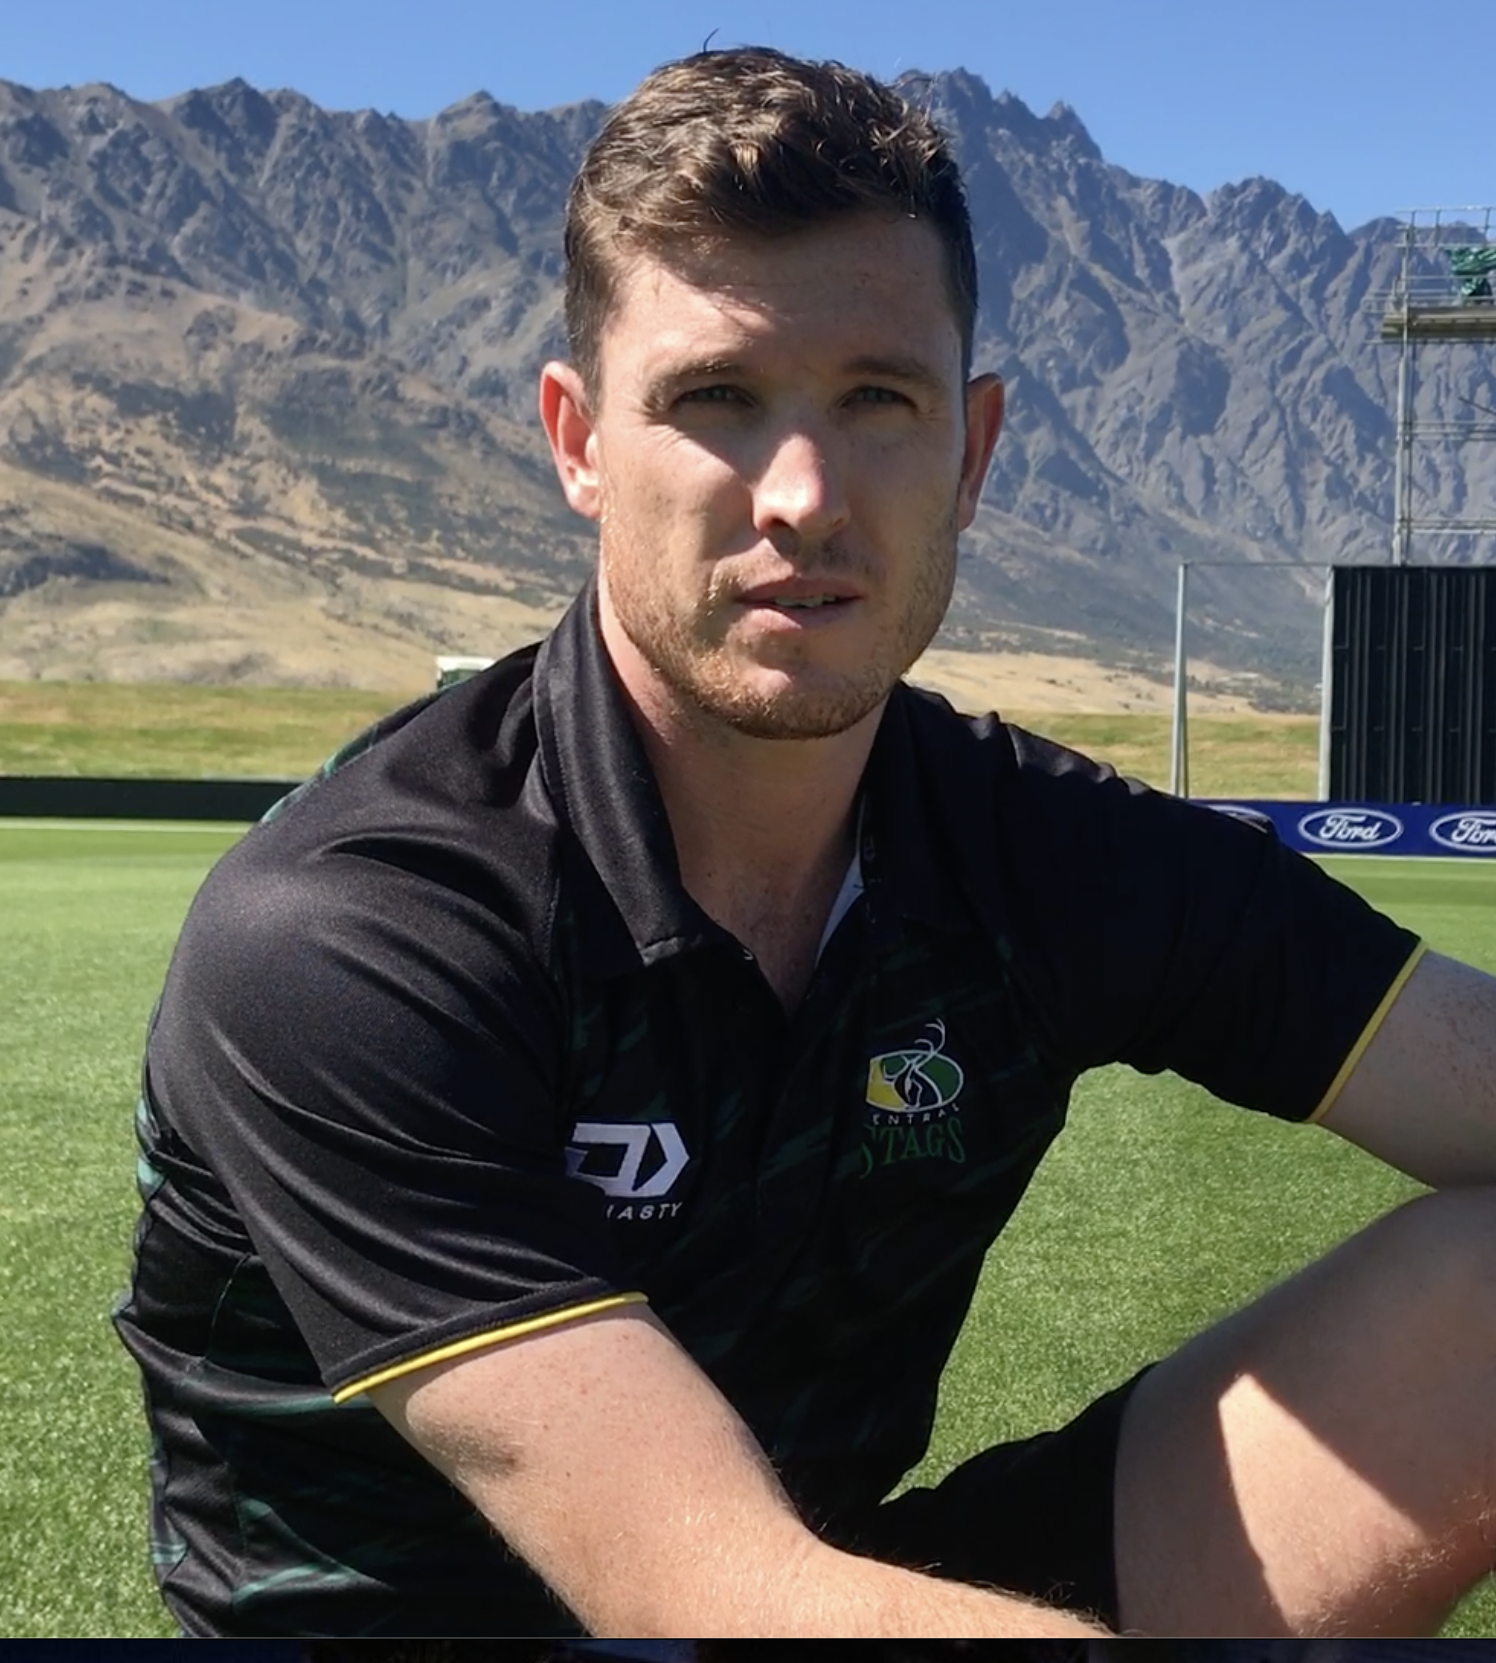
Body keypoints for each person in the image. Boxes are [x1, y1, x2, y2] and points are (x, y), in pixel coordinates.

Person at [114, 45, 1496, 1640]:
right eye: (716, 399)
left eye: (877, 400)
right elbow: (697, 1587)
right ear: (578, 440)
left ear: (972, 452)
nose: (805, 494)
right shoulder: (353, 929)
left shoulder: (1041, 848)